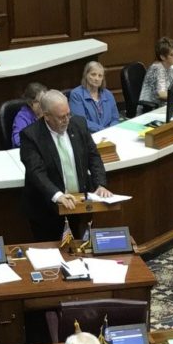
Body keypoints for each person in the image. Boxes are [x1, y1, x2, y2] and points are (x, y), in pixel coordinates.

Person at [17, 90, 112, 241]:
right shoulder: (31, 136)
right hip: (47, 210)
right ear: (46, 116)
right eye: (61, 117)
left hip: (77, 205)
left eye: (68, 114)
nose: (67, 120)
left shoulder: (78, 124)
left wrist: (100, 184)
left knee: (78, 251)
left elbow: (93, 156)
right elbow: (36, 172)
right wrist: (58, 195)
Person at [69, 62, 121, 133]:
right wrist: (103, 130)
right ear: (86, 75)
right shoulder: (76, 95)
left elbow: (115, 118)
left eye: (100, 76)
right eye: (93, 74)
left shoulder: (108, 94)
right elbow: (81, 122)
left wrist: (111, 130)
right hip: (89, 135)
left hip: (109, 133)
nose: (97, 78)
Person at [138, 37, 173, 112]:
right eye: (172, 54)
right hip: (151, 110)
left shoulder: (168, 66)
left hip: (164, 107)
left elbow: (168, 86)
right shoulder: (157, 69)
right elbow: (161, 94)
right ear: (162, 57)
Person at [9, 81, 48, 148]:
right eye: (40, 101)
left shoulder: (48, 110)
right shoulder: (22, 117)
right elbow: (17, 141)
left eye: (45, 100)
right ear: (30, 103)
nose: (44, 104)